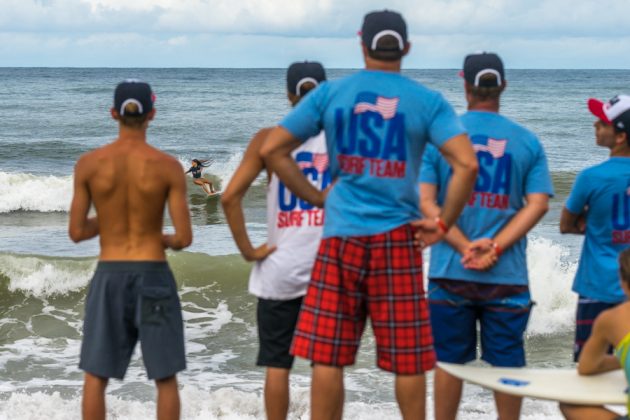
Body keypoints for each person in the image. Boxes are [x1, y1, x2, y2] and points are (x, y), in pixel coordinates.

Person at [260, 10, 478, 420]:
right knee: (407, 357)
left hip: (340, 237)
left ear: (362, 45)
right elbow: (466, 165)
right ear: (407, 48)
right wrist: (442, 222)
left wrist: (317, 197)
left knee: (328, 357)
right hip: (398, 238)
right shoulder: (427, 101)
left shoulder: (332, 95)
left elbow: (274, 149)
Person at [419, 52, 553, 420]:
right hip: (505, 275)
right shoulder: (526, 141)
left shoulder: (441, 139)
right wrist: (493, 246)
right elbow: (538, 204)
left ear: (465, 85)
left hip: (450, 269)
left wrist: (463, 245)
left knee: (448, 363)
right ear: (503, 86)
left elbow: (426, 202)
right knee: (507, 366)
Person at [68, 80, 192, 420]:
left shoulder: (90, 164)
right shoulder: (167, 166)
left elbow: (77, 232)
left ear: (113, 114)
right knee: (165, 377)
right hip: (154, 275)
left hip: (110, 275)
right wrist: (156, 235)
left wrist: (108, 219)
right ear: (152, 114)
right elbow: (183, 238)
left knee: (96, 376)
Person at [221, 61, 329, 420]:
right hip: (330, 268)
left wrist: (249, 250)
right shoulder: (344, 141)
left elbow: (228, 197)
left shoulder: (267, 139)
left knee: (278, 365)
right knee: (326, 365)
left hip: (280, 268)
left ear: (288, 94)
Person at [560, 95, 630, 363]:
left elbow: (565, 225)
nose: (595, 126)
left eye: (601, 123)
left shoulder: (591, 177)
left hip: (597, 287)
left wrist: (594, 225)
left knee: (590, 369)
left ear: (621, 136)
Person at [559, 248, 630, 419]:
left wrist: (623, 358)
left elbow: (587, 367)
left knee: (570, 404)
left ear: (623, 284)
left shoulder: (613, 319)